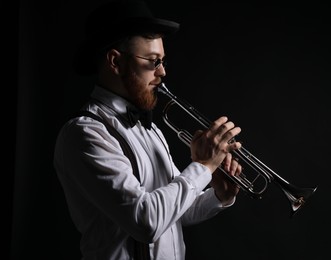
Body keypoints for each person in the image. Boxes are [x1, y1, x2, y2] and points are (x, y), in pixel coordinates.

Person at [53, 0, 243, 259]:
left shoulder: (151, 130)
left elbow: (177, 211)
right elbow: (146, 221)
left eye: (162, 61)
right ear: (115, 62)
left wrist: (219, 194)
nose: (163, 72)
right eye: (153, 61)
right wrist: (204, 167)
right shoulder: (84, 134)